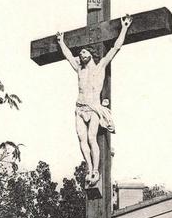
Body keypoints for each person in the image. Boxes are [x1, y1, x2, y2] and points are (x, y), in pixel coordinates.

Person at [56, 15, 132, 187]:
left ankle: (95, 170)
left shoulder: (100, 67)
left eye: (84, 52)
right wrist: (61, 42)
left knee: (92, 138)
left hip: (94, 108)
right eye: (80, 53)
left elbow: (115, 48)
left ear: (91, 54)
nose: (80, 54)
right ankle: (89, 168)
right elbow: (68, 56)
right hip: (79, 108)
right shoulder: (79, 70)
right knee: (81, 138)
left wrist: (124, 28)